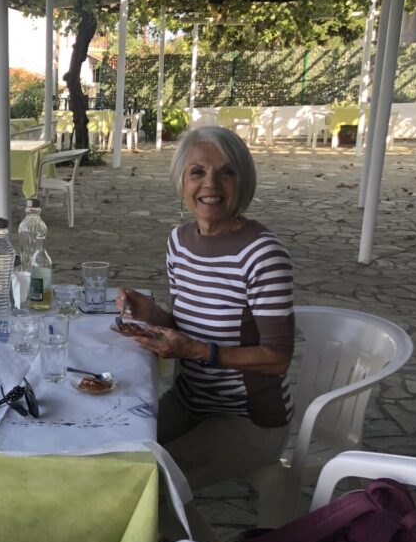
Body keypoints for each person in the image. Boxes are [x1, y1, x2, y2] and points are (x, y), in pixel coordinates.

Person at [117, 125, 295, 497]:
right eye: (197, 172)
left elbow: (277, 359)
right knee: (113, 457)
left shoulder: (262, 254)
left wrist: (198, 352)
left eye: (226, 172)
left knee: (150, 489)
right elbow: (184, 327)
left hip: (249, 420)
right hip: (190, 400)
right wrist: (152, 314)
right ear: (181, 181)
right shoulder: (179, 242)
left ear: (243, 181)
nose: (210, 184)